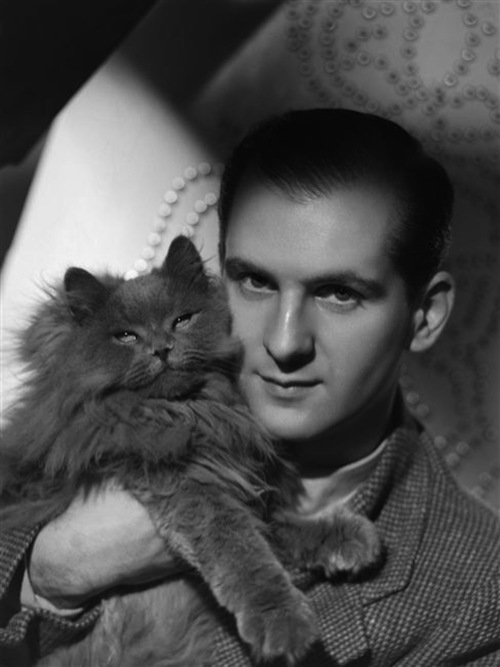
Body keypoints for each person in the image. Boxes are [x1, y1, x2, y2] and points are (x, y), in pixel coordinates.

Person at [1, 108, 499, 666]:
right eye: (256, 282)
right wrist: (48, 572)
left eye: (339, 294)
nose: (285, 342)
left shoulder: (478, 591)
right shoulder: (110, 416)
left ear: (425, 316)